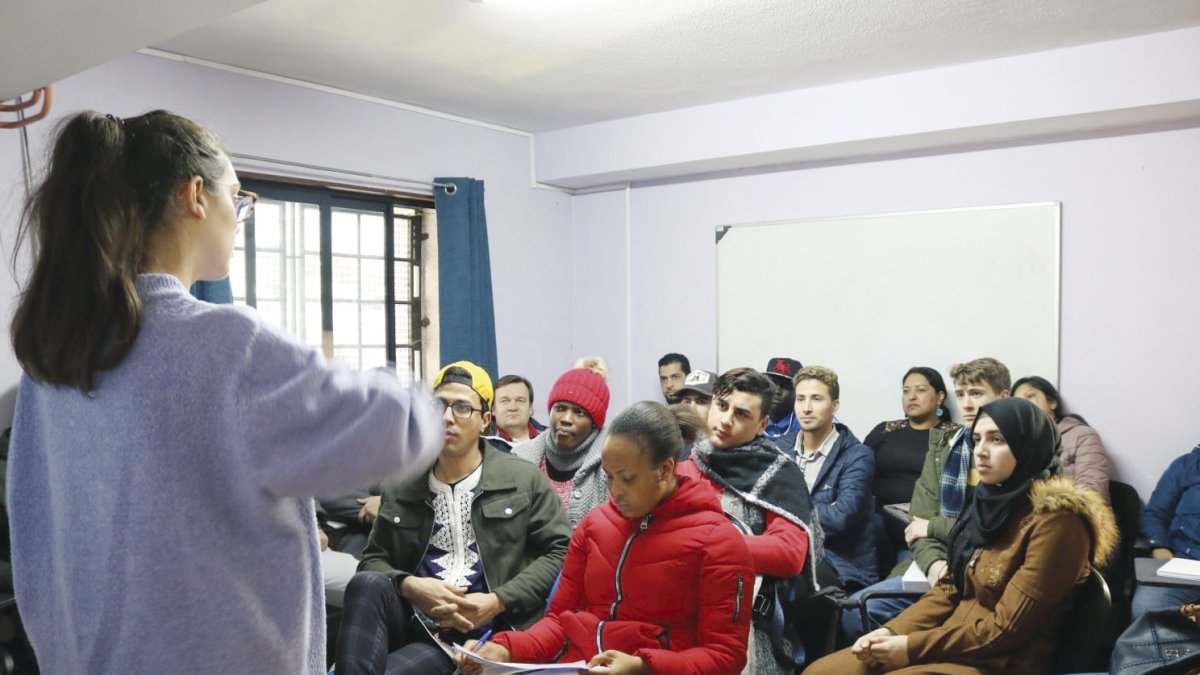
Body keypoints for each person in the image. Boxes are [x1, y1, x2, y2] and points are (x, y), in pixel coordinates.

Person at [5, 110, 443, 673]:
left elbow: (36, 540)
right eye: (237, 198)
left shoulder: (51, 361)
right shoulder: (227, 343)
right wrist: (356, 373)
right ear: (195, 195)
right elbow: (404, 428)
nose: (239, 218)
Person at [807, 398, 1117, 675]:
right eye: (977, 439)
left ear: (1028, 446)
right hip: (952, 642)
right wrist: (892, 632)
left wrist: (912, 647)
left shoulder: (1058, 523)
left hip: (1002, 662)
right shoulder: (990, 503)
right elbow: (950, 588)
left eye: (996, 440)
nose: (980, 450)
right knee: (820, 671)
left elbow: (1007, 629)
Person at [452, 402, 754, 675]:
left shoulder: (718, 542)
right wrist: (506, 648)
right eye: (609, 476)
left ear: (665, 470)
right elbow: (560, 621)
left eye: (627, 478)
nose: (615, 490)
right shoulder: (595, 525)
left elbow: (726, 655)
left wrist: (643, 666)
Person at [335, 361, 571, 674]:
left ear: (485, 421)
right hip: (420, 625)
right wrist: (411, 586)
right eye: (439, 406)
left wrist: (498, 600)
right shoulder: (402, 482)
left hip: (491, 632)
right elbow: (372, 561)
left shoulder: (522, 479)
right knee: (366, 583)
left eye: (462, 407)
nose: (446, 417)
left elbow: (560, 550)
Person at [842, 357, 1008, 638]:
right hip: (935, 561)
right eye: (961, 394)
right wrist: (935, 565)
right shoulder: (945, 446)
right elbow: (918, 523)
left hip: (985, 569)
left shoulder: (1019, 451)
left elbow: (991, 530)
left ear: (1003, 398)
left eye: (976, 394)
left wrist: (932, 527)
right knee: (855, 610)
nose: (967, 404)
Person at [677, 367, 819, 675]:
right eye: (722, 406)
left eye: (742, 414)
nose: (726, 420)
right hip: (676, 611)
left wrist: (706, 546)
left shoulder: (779, 474)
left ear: (761, 425)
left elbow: (789, 554)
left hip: (749, 620)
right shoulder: (685, 465)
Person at [787, 366, 877, 591]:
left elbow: (841, 517)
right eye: (800, 399)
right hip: (788, 551)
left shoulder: (857, 455)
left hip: (842, 566)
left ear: (834, 406)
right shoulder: (779, 448)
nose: (806, 408)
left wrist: (783, 510)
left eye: (816, 399)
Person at [864, 367, 961, 566]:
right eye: (906, 391)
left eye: (920, 390)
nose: (912, 396)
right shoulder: (885, 430)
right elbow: (858, 470)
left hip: (921, 523)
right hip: (876, 520)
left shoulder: (954, 436)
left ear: (939, 397)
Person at [513, 367, 611, 528]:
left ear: (594, 423)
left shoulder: (611, 465)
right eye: (560, 408)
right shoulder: (519, 459)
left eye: (579, 412)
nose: (566, 419)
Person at [1013, 375, 1111, 502]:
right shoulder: (1016, 442)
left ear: (1052, 403)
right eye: (1018, 402)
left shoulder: (1082, 436)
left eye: (1030, 396)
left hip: (1068, 512)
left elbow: (1093, 492)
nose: (1024, 405)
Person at [1131, 443, 1200, 617]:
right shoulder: (1186, 465)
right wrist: (1159, 546)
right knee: (1147, 607)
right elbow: (1155, 514)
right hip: (1183, 561)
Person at [491, 374, 546, 446]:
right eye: (505, 401)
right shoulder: (482, 443)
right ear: (493, 409)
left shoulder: (552, 439)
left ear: (530, 408)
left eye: (520, 400)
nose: (512, 408)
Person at [763, 357, 803, 442]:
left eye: (785, 385)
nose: (777, 391)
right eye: (772, 382)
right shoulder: (750, 419)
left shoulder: (805, 424)